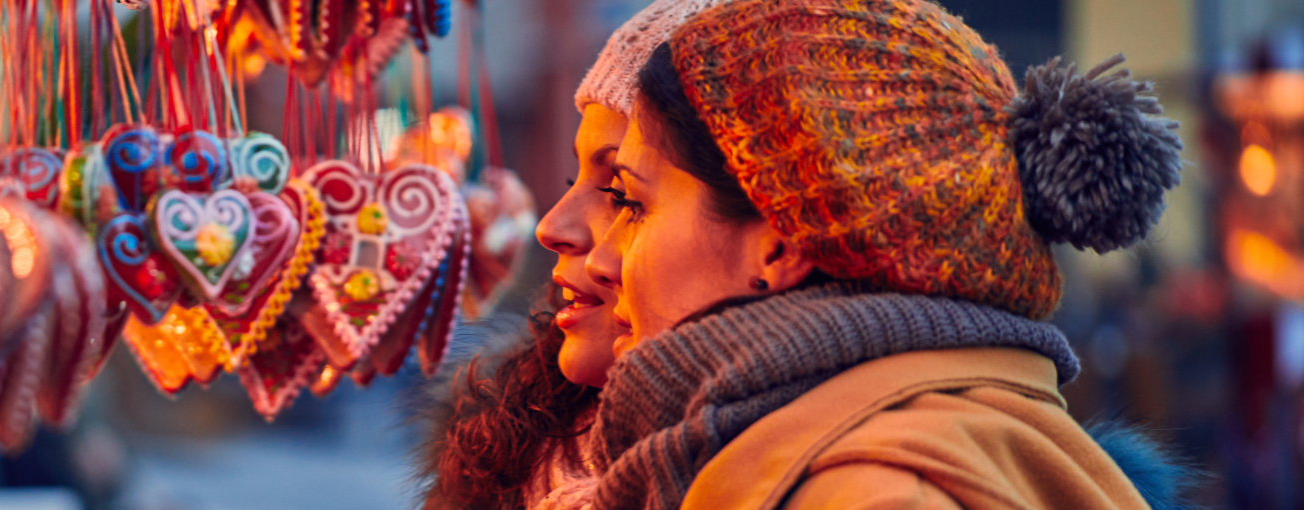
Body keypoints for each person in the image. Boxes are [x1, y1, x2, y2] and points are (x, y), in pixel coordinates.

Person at [424, 0, 1198, 508]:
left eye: (630, 198)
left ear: (784, 243)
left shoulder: (869, 489)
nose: (562, 230)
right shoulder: (799, 454)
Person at [416, 2, 732, 509]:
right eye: (573, 180)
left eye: (622, 194)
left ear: (775, 237)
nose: (550, 228)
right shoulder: (504, 451)